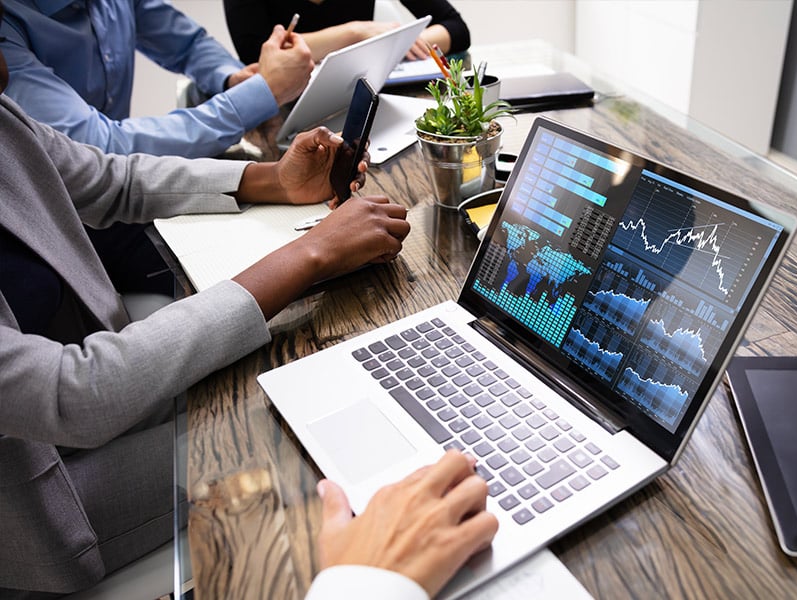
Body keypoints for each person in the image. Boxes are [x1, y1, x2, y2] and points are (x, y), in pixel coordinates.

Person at [0, 29, 497, 597]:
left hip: (92, 393)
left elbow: (114, 179)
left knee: (305, 379)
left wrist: (275, 181)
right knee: (296, 429)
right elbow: (75, 392)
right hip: (40, 501)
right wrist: (307, 255)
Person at [0, 0, 315, 158]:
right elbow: (97, 146)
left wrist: (233, 78)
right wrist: (261, 94)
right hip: (60, 214)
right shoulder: (8, 26)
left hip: (122, 181)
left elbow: (189, 45)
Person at [225, 0, 471, 65]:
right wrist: (355, 32)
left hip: (361, 98)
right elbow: (256, 54)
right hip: (281, 106)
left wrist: (397, 42)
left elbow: (456, 29)